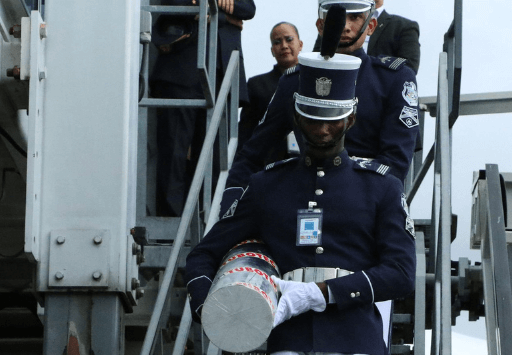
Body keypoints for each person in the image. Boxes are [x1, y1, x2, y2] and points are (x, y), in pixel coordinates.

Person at [186, 50, 416, 355]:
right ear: (296, 117)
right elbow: (204, 255)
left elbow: (401, 273)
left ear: (350, 118)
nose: (323, 130)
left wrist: (322, 293)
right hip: (289, 339)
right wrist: (210, 309)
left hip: (355, 338)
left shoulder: (380, 187)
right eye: (312, 118)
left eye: (332, 120)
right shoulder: (267, 185)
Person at [221, 0, 418, 219]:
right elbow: (252, 154)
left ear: (370, 26)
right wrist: (231, 205)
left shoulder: (394, 79)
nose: (344, 26)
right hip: (303, 202)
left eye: (355, 18)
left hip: (366, 208)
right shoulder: (295, 80)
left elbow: (395, 162)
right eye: (337, 17)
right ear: (320, 25)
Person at [151, 0, 255, 216]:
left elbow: (248, 8)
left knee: (216, 159)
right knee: (174, 154)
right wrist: (226, 15)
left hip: (222, 74)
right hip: (182, 72)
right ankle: (171, 224)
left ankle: (210, 220)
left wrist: (214, 10)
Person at [237, 22, 303, 156]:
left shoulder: (313, 80)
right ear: (272, 50)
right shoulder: (257, 85)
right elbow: (245, 132)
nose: (284, 46)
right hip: (268, 162)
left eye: (289, 39)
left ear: (300, 44)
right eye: (277, 42)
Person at [313, 0, 421, 73]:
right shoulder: (334, 18)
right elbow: (319, 57)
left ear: (371, 26)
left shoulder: (403, 26)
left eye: (355, 17)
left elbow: (408, 68)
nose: (346, 27)